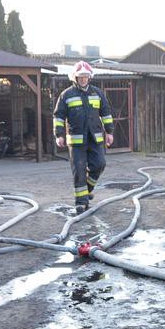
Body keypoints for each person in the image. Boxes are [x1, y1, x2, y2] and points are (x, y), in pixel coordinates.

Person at [53, 61, 114, 214]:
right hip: (76, 141)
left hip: (95, 139)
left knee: (99, 164)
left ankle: (87, 191)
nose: (83, 79)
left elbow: (106, 113)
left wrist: (110, 132)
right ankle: (81, 203)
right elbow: (58, 116)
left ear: (90, 77)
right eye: (81, 77)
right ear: (75, 77)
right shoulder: (66, 95)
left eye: (86, 76)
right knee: (79, 171)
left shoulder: (97, 93)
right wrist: (59, 135)